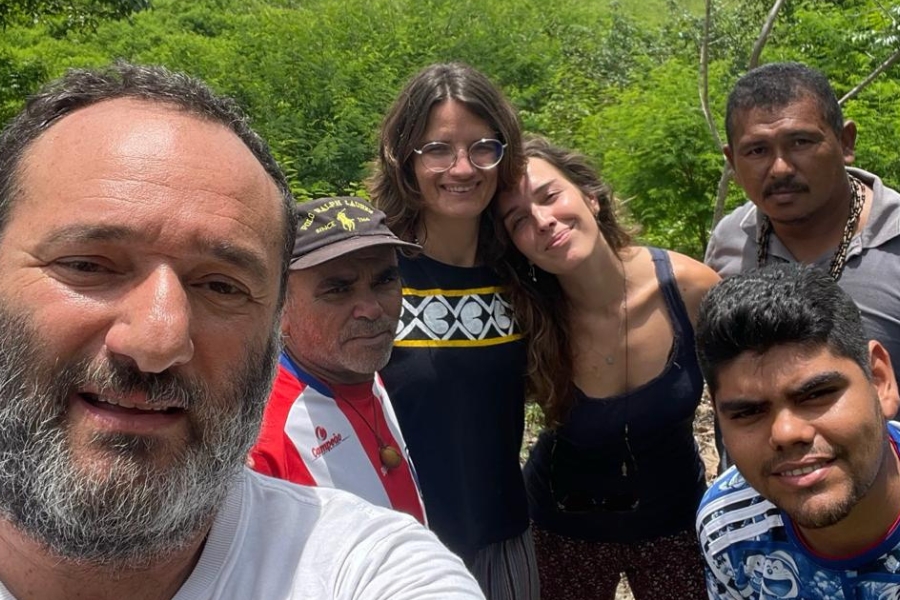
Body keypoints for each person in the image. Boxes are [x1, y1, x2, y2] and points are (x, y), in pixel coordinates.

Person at [0, 61, 485, 600]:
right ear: (284, 314)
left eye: (220, 286)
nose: (157, 341)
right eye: (87, 265)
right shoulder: (279, 432)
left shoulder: (371, 553)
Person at [494, 135, 718, 599]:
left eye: (550, 195)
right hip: (560, 530)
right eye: (518, 220)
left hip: (676, 525)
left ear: (591, 197)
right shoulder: (523, 317)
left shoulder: (690, 289)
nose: (542, 220)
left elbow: (745, 406)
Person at [368, 62, 539, 599]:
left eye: (483, 147)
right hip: (395, 549)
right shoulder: (371, 275)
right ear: (406, 159)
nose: (462, 168)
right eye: (438, 149)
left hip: (504, 538)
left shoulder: (523, 271)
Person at [695, 264, 900, 599]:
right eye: (748, 412)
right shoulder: (728, 526)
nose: (786, 433)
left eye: (816, 395)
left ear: (879, 382)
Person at [705, 61, 900, 369]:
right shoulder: (730, 240)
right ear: (732, 161)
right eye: (757, 151)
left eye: (800, 142)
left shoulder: (893, 237)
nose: (780, 168)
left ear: (845, 142)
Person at [250, 196, 426, 524]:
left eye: (385, 280)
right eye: (338, 290)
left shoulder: (358, 366)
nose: (371, 309)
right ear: (279, 306)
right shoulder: (263, 444)